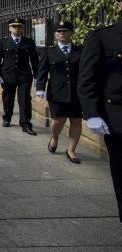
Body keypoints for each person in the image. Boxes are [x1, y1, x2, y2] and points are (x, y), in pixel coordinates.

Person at [79, 0, 122, 222]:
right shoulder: (102, 37)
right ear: (118, 5)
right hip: (117, 117)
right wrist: (92, 113)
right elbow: (87, 79)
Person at [37, 21, 83, 163]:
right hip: (57, 92)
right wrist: (40, 88)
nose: (62, 33)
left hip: (77, 93)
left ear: (71, 33)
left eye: (66, 30)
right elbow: (42, 72)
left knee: (76, 121)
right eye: (59, 31)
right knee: (59, 120)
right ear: (55, 34)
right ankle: (55, 137)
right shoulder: (49, 51)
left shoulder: (80, 50)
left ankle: (71, 150)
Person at [0, 18, 39, 135]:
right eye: (14, 26)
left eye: (19, 26)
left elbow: (34, 60)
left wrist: (37, 76)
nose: (17, 28)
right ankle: (7, 118)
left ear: (23, 28)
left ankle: (25, 123)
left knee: (24, 99)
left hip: (24, 75)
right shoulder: (3, 42)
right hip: (8, 75)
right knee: (8, 98)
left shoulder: (29, 42)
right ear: (10, 28)